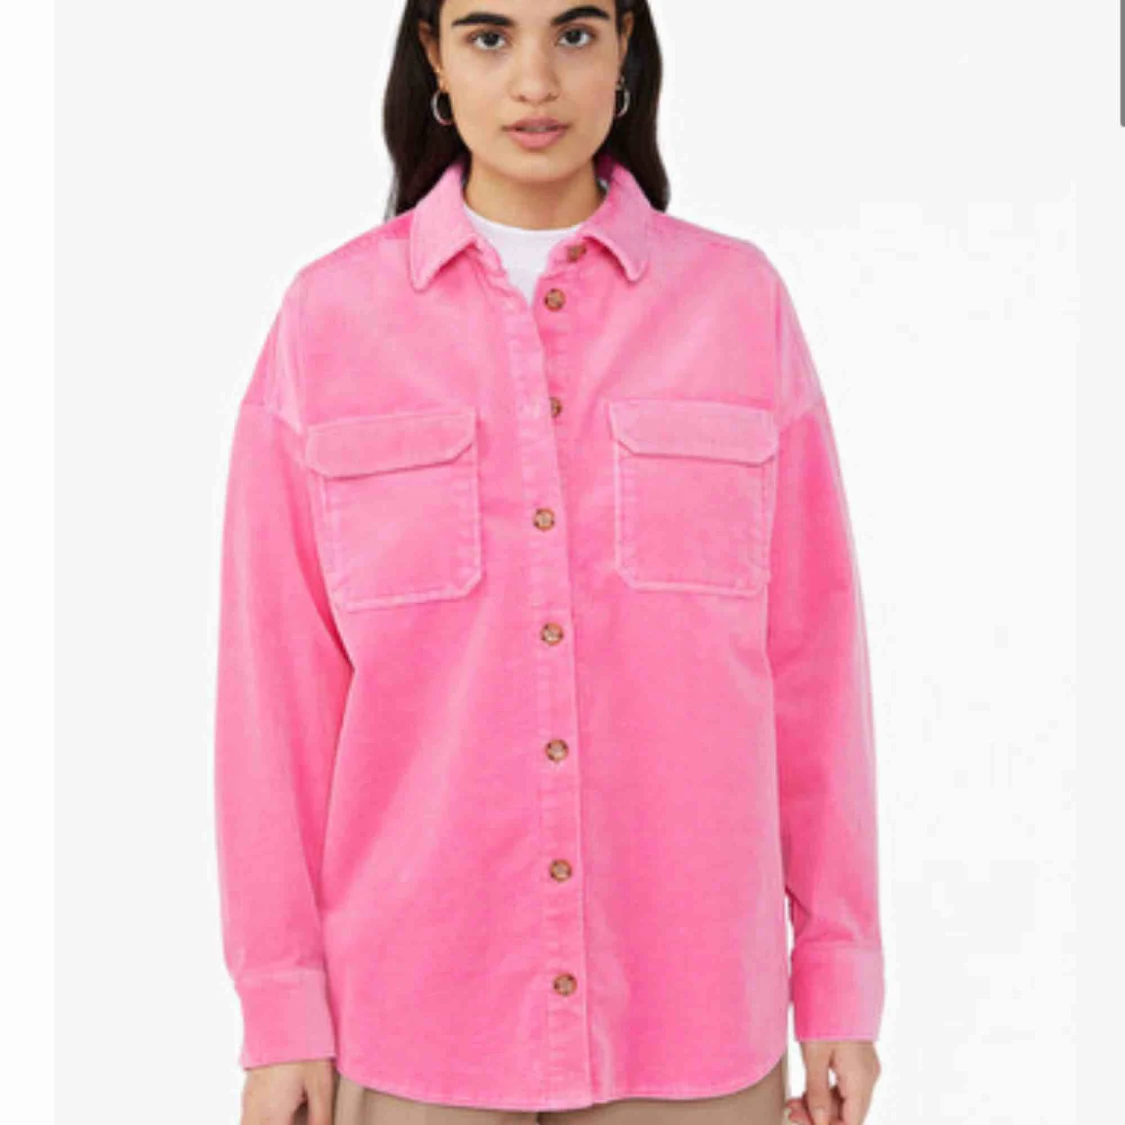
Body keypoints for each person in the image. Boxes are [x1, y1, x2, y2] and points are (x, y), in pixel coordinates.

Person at [213, 2, 886, 1124]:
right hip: (411, 1026)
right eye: (489, 35)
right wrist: (281, 1015)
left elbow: (814, 673)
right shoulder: (327, 322)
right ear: (433, 54)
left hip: (691, 1023)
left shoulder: (736, 307)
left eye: (574, 33)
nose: (535, 79)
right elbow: (274, 700)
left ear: (625, 47)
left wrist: (838, 982)